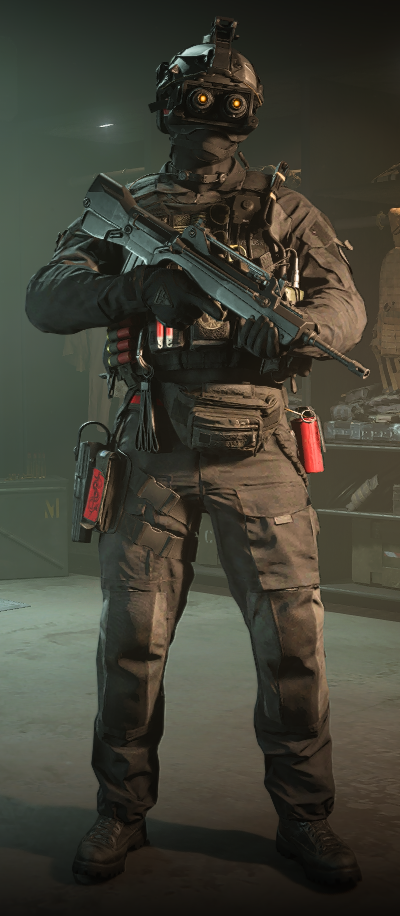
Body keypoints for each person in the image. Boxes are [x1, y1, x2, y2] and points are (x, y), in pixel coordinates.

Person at [26, 15, 367, 888]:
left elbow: (344, 308)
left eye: (226, 102)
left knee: (292, 646)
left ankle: (305, 817)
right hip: (154, 445)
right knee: (131, 645)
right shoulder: (132, 208)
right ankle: (120, 810)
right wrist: (139, 285)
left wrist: (293, 332)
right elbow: (48, 295)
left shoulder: (286, 209)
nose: (211, 115)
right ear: (171, 106)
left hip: (260, 447)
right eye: (199, 98)